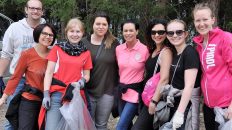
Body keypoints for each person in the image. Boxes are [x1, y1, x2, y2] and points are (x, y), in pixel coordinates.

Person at [0, 23, 56, 130]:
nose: (47, 37)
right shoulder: (27, 54)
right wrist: (3, 98)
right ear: (38, 34)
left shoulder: (55, 54)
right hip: (30, 100)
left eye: (51, 35)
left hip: (49, 101)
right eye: (44, 33)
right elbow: (16, 77)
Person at [40, 18, 92, 130]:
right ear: (66, 32)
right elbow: (49, 72)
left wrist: (82, 81)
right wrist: (46, 94)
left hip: (75, 95)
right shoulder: (57, 49)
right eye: (71, 31)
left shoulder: (86, 53)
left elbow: (87, 75)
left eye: (78, 31)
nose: (75, 34)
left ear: (82, 33)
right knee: (51, 127)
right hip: (57, 95)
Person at [0, 0, 45, 129]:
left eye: (38, 9)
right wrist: (0, 76)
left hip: (39, 81)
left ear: (42, 11)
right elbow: (6, 54)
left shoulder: (46, 29)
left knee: (36, 118)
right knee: (12, 117)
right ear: (26, 10)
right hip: (19, 79)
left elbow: (52, 56)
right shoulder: (15, 28)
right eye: (32, 8)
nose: (35, 11)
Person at [192, 3, 232, 130]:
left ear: (213, 20)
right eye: (198, 20)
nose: (201, 23)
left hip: (226, 106)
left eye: (205, 19)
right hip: (208, 106)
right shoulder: (198, 45)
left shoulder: (225, 38)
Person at [131, 19, 174, 130]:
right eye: (153, 32)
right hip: (147, 96)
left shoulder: (166, 52)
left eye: (161, 32)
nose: (157, 35)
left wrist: (154, 101)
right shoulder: (154, 50)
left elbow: (164, 79)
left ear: (166, 33)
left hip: (155, 98)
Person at [82, 11, 119, 130]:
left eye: (104, 24)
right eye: (98, 23)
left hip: (107, 91)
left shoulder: (114, 43)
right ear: (92, 24)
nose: (101, 27)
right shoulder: (83, 42)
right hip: (87, 91)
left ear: (108, 26)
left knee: (101, 125)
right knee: (87, 124)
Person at [166, 19, 201, 130]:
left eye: (179, 32)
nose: (174, 35)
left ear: (186, 34)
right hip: (174, 102)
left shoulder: (190, 53)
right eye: (171, 33)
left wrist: (180, 113)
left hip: (186, 105)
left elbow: (189, 86)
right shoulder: (175, 53)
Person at [116, 19, 149, 130]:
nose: (128, 33)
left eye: (131, 30)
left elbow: (150, 70)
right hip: (121, 92)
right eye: (125, 30)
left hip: (135, 94)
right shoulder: (119, 49)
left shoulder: (145, 50)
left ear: (137, 31)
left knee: (120, 126)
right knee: (127, 125)